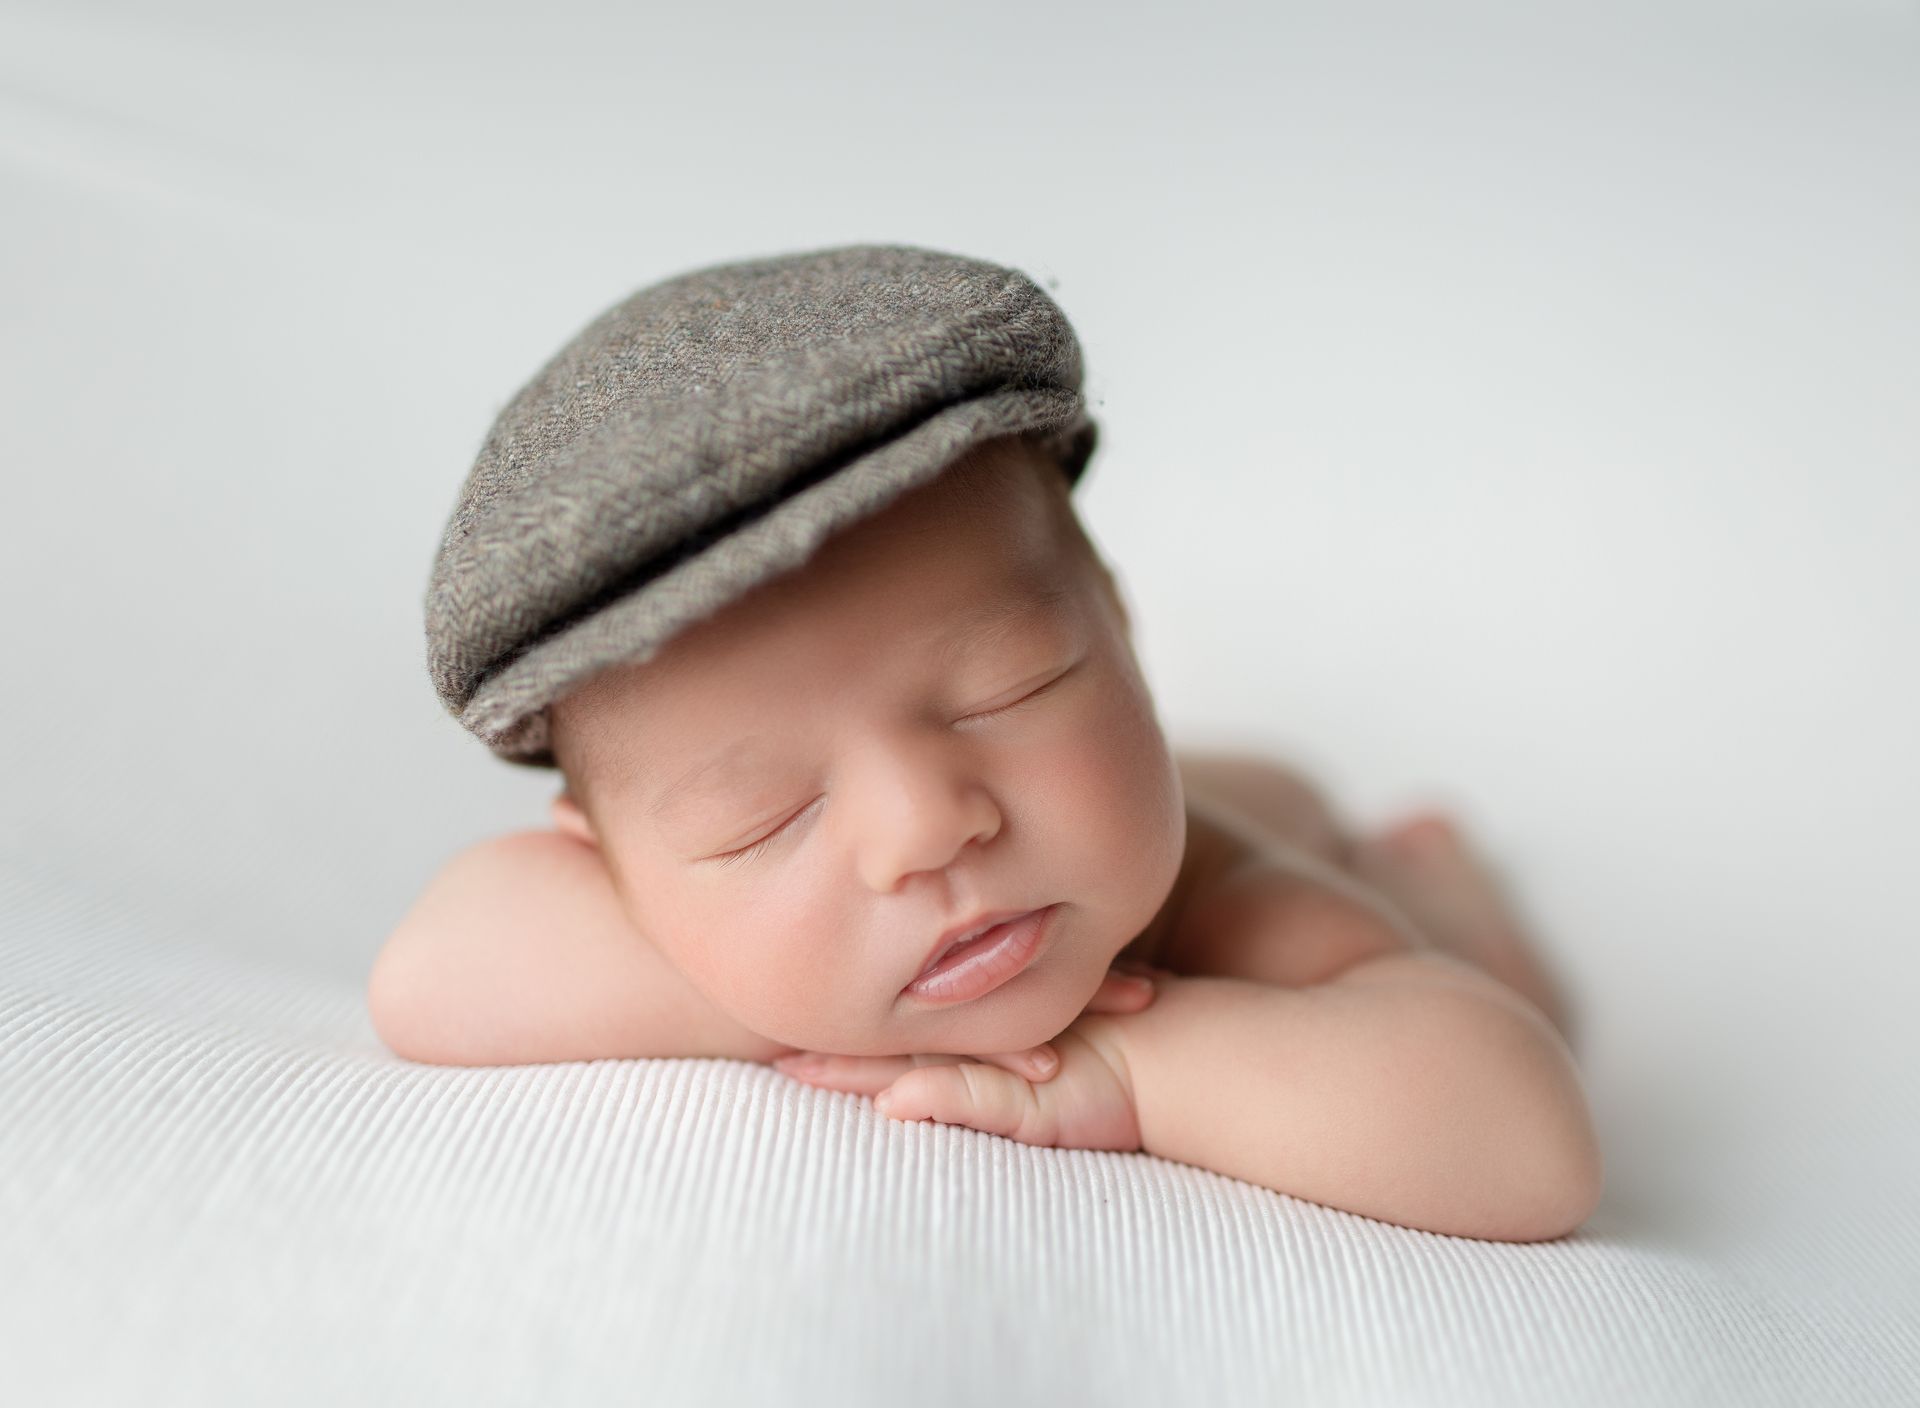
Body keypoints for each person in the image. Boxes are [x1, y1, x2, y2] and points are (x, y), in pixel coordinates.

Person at [373, 243, 1599, 1243]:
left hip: (1259, 826)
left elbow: (1524, 1140)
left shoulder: (1247, 916)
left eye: (1011, 684)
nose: (925, 824)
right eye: (763, 818)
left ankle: (1432, 872)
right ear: (609, 867)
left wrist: (1130, 1068)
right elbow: (428, 976)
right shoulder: (693, 914)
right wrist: (795, 988)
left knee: (1374, 878)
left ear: (1116, 624)